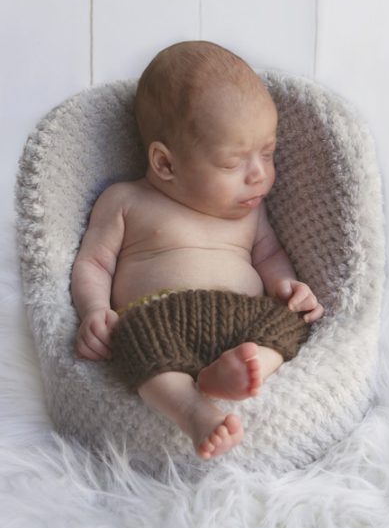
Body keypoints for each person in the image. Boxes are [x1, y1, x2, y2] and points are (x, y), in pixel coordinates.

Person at [71, 41, 324, 460]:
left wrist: (287, 287)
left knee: (286, 328)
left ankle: (230, 374)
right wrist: (94, 310)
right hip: (158, 317)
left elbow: (269, 258)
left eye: (267, 153)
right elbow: (93, 263)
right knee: (136, 347)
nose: (259, 175)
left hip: (243, 318)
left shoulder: (250, 213)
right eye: (232, 163)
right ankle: (193, 411)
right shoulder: (126, 201)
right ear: (165, 164)